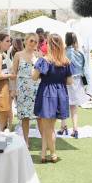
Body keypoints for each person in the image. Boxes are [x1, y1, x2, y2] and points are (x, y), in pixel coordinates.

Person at [33, 33, 73, 163]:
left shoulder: (44, 60)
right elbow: (70, 82)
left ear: (48, 45)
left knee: (48, 128)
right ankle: (44, 154)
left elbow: (34, 77)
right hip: (60, 93)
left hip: (46, 93)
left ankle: (53, 154)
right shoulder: (66, 62)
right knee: (48, 127)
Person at [58, 32, 90, 138]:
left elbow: (62, 66)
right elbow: (85, 68)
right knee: (74, 106)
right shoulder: (80, 52)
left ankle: (63, 126)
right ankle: (75, 129)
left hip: (67, 80)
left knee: (63, 104)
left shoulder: (65, 52)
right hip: (78, 80)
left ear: (66, 40)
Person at [10, 33, 40, 147]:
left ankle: (44, 142)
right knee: (25, 117)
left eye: (36, 42)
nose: (33, 43)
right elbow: (13, 74)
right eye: (31, 41)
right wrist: (13, 90)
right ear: (26, 41)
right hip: (22, 89)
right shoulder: (18, 55)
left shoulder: (38, 55)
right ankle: (26, 140)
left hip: (36, 88)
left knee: (39, 116)